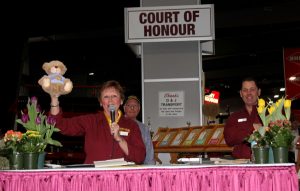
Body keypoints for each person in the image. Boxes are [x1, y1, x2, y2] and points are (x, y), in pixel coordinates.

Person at [49, 80, 146, 164]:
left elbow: (140, 157)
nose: (110, 101)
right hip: (94, 178)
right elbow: (59, 124)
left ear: (121, 101)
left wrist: (120, 139)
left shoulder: (131, 125)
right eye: (106, 97)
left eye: (114, 96)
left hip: (120, 179)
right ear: (100, 102)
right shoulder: (91, 121)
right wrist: (54, 98)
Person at [224, 77, 262, 159]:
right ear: (241, 94)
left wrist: (241, 132)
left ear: (258, 92)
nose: (249, 93)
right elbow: (229, 139)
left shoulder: (268, 114)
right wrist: (253, 129)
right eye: (245, 90)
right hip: (240, 165)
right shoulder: (234, 117)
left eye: (252, 89)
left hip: (264, 162)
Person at [123, 95, 155, 165]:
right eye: (129, 105)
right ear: (124, 108)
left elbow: (149, 151)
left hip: (139, 166)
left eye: (135, 106)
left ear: (139, 109)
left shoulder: (144, 128)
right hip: (121, 165)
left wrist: (150, 169)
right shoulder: (118, 125)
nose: (132, 108)